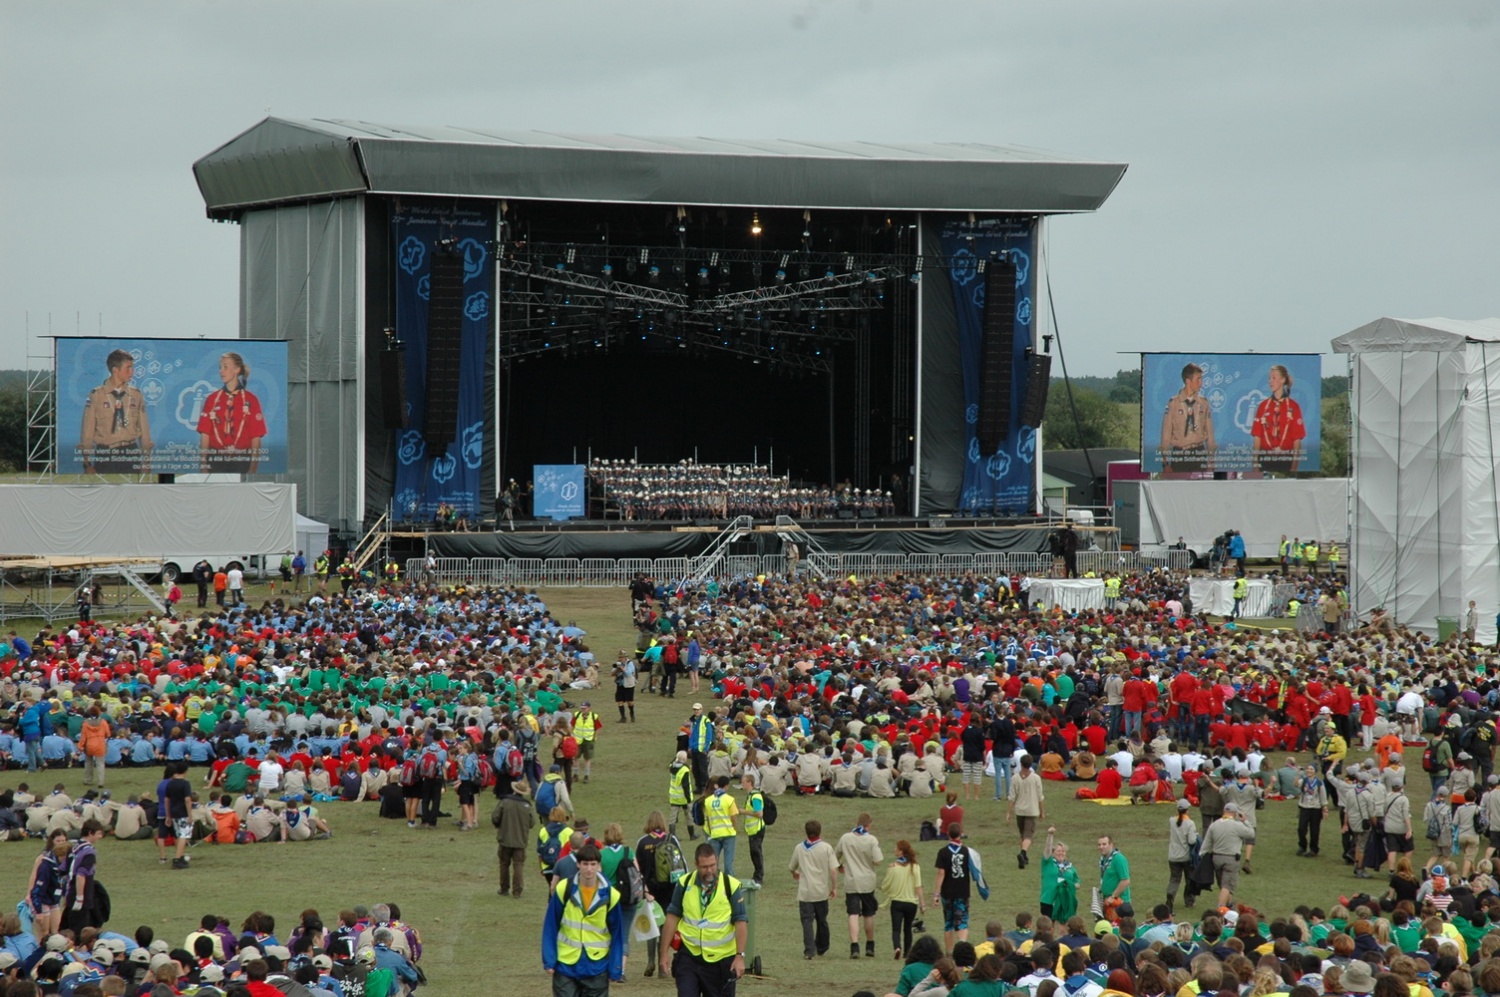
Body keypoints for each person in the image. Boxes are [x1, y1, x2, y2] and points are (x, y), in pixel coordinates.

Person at [660, 843, 749, 996]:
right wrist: (663, 953)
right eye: (704, 867)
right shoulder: (684, 883)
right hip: (689, 957)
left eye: (712, 865)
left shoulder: (731, 887)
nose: (709, 871)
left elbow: (741, 922)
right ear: (696, 865)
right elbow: (672, 917)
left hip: (721, 963)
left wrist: (739, 956)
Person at [542, 840, 626, 995]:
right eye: (585, 864)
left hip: (597, 966)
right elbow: (551, 925)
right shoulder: (564, 889)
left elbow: (617, 933)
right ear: (578, 865)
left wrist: (615, 968)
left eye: (593, 864)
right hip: (565, 964)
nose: (589, 869)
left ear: (599, 866)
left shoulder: (611, 895)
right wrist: (549, 959)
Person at [78, 347, 152, 473]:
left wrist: (146, 460)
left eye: (132, 367)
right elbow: (88, 431)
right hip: (106, 453)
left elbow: (144, 430)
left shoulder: (136, 395)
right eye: (128, 368)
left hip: (131, 452)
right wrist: (87, 463)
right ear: (115, 370)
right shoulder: (97, 395)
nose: (131, 372)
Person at [197, 351, 267, 472]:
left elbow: (256, 437)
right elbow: (205, 434)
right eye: (220, 367)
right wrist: (204, 465)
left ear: (237, 370)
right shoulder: (212, 399)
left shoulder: (250, 399)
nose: (221, 371)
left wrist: (253, 468)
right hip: (216, 460)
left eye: (225, 367)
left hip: (242, 459)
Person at [789, 818, 838, 960]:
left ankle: (809, 950)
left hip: (805, 893)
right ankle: (822, 946)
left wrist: (795, 873)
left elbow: (792, 866)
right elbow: (833, 871)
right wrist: (834, 887)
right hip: (821, 891)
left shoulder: (799, 848)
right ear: (819, 831)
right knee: (822, 920)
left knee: (807, 921)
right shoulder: (826, 848)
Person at [836, 813, 883, 959]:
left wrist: (839, 866)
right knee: (868, 914)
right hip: (867, 881)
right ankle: (870, 944)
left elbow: (835, 855)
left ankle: (854, 946)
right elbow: (878, 860)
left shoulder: (846, 838)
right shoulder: (871, 839)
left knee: (853, 914)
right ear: (868, 825)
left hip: (851, 881)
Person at [1159, 362, 1215, 472]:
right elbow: (1166, 435)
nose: (1201, 383)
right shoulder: (1173, 403)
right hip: (1180, 454)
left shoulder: (1203, 403)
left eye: (1201, 379)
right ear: (1188, 381)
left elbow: (1210, 434)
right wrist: (1165, 463)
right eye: (1198, 379)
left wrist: (1211, 460)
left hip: (1199, 453)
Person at [1199, 802, 1256, 908]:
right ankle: (1220, 908)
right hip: (1231, 859)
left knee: (1223, 885)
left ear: (1224, 812)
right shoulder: (1237, 825)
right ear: (1234, 814)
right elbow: (1251, 833)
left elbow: (1206, 843)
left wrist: (1201, 856)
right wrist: (1245, 821)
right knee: (1227, 886)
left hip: (1216, 858)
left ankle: (1230, 905)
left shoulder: (1214, 825)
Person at [1251, 364, 1306, 472]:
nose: (1270, 381)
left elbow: (1297, 440)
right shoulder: (1263, 406)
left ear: (1282, 380)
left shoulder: (1293, 406)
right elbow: (1257, 437)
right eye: (1269, 378)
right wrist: (1255, 464)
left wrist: (1294, 467)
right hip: (1265, 460)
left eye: (1274, 378)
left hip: (1286, 460)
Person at [932, 823, 975, 952]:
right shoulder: (967, 851)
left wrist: (936, 894)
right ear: (961, 833)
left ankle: (950, 952)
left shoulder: (943, 852)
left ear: (948, 834)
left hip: (947, 892)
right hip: (962, 891)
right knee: (962, 922)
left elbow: (941, 873)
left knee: (949, 923)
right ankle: (962, 949)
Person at [880, 839, 925, 960]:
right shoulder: (915, 867)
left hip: (897, 902)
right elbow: (918, 886)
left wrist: (885, 889)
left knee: (896, 928)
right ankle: (907, 952)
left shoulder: (893, 867)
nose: (894, 850)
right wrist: (922, 904)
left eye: (897, 848)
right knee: (907, 929)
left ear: (901, 852)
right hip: (911, 903)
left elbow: (886, 884)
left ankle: (897, 947)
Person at [61, 819, 107, 934]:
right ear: (90, 833)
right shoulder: (88, 852)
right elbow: (81, 875)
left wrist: (66, 894)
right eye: (98, 833)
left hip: (70, 893)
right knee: (79, 934)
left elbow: (63, 871)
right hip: (81, 897)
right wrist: (80, 898)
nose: (100, 837)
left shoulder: (73, 848)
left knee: (67, 930)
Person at [25, 830, 70, 942]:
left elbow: (64, 881)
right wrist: (29, 896)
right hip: (43, 899)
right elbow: (35, 878)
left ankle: (55, 953)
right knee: (44, 932)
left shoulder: (64, 863)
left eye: (63, 840)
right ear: (52, 841)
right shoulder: (45, 860)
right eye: (58, 840)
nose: (61, 843)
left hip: (54, 899)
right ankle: (41, 955)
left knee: (56, 930)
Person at [493, 779, 535, 899]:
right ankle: (517, 891)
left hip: (505, 838)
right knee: (518, 865)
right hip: (520, 841)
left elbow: (495, 817)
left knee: (504, 864)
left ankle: (504, 888)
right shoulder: (527, 806)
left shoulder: (504, 802)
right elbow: (532, 823)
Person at [1007, 754, 1045, 870]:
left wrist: (1008, 812)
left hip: (1019, 810)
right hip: (1031, 810)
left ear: (1021, 764)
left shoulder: (1015, 778)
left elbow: (1012, 797)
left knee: (1022, 834)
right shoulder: (1036, 778)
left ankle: (1025, 856)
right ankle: (1023, 853)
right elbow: (1040, 797)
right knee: (1028, 835)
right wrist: (1042, 811)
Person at [1165, 799, 1199, 913]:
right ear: (1187, 810)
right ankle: (1189, 900)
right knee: (1189, 879)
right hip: (1186, 857)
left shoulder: (1171, 821)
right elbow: (1192, 841)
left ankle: (1171, 894)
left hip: (1173, 856)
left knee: (1174, 879)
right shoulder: (1190, 824)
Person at [1038, 827, 1079, 923]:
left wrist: (1069, 885)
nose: (1061, 853)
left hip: (1064, 900)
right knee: (1048, 927)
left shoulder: (1070, 868)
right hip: (1049, 900)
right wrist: (1050, 835)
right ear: (1053, 853)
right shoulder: (1048, 863)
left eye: (1063, 851)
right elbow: (1047, 849)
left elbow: (1077, 883)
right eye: (1058, 851)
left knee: (1064, 927)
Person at [702, 776, 740, 876]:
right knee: (728, 863)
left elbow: (708, 819)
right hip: (728, 834)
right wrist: (735, 830)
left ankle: (713, 882)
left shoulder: (708, 801)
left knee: (713, 862)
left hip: (715, 834)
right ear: (726, 786)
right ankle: (730, 884)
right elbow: (734, 817)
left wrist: (710, 832)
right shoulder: (729, 799)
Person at [1296, 763, 1331, 857]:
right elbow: (1295, 784)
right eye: (1308, 769)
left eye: (1311, 769)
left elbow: (1323, 797)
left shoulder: (1319, 783)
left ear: (1315, 771)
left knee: (1314, 830)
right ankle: (1302, 846)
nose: (1309, 771)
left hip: (1315, 808)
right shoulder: (1303, 780)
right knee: (1301, 829)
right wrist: (1297, 774)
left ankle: (1313, 849)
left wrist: (1325, 808)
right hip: (1304, 807)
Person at [739, 773, 766, 889]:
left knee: (756, 852)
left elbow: (759, 813)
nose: (742, 784)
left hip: (756, 829)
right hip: (752, 829)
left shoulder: (755, 796)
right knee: (754, 853)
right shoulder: (751, 795)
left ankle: (758, 876)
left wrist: (744, 812)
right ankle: (757, 874)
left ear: (749, 783)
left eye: (743, 782)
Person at [1096, 834, 1131, 918]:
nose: (1101, 847)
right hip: (1108, 901)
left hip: (1119, 902)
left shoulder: (1119, 859)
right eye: (1099, 844)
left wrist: (1113, 896)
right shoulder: (1104, 860)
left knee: (1117, 929)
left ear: (1111, 845)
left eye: (1104, 844)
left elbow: (1125, 881)